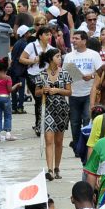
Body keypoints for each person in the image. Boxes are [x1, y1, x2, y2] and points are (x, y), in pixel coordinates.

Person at [36, 49, 72, 181]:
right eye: (57, 56)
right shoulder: (41, 75)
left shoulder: (65, 73)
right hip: (47, 108)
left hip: (62, 108)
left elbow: (69, 92)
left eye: (60, 56)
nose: (60, 59)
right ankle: (50, 170)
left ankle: (57, 167)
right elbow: (36, 92)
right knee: (49, 140)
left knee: (59, 141)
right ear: (51, 59)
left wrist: (57, 90)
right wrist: (43, 90)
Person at [20, 25, 57, 136]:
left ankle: (43, 123)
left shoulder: (51, 48)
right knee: (39, 99)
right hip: (33, 75)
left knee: (45, 100)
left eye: (50, 34)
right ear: (40, 36)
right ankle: (39, 125)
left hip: (46, 76)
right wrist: (33, 60)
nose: (49, 36)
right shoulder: (31, 46)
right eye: (46, 34)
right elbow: (21, 59)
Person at [0, 59, 18, 142]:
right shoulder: (8, 78)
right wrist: (16, 85)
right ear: (6, 68)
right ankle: (8, 134)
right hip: (6, 98)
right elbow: (9, 90)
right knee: (8, 116)